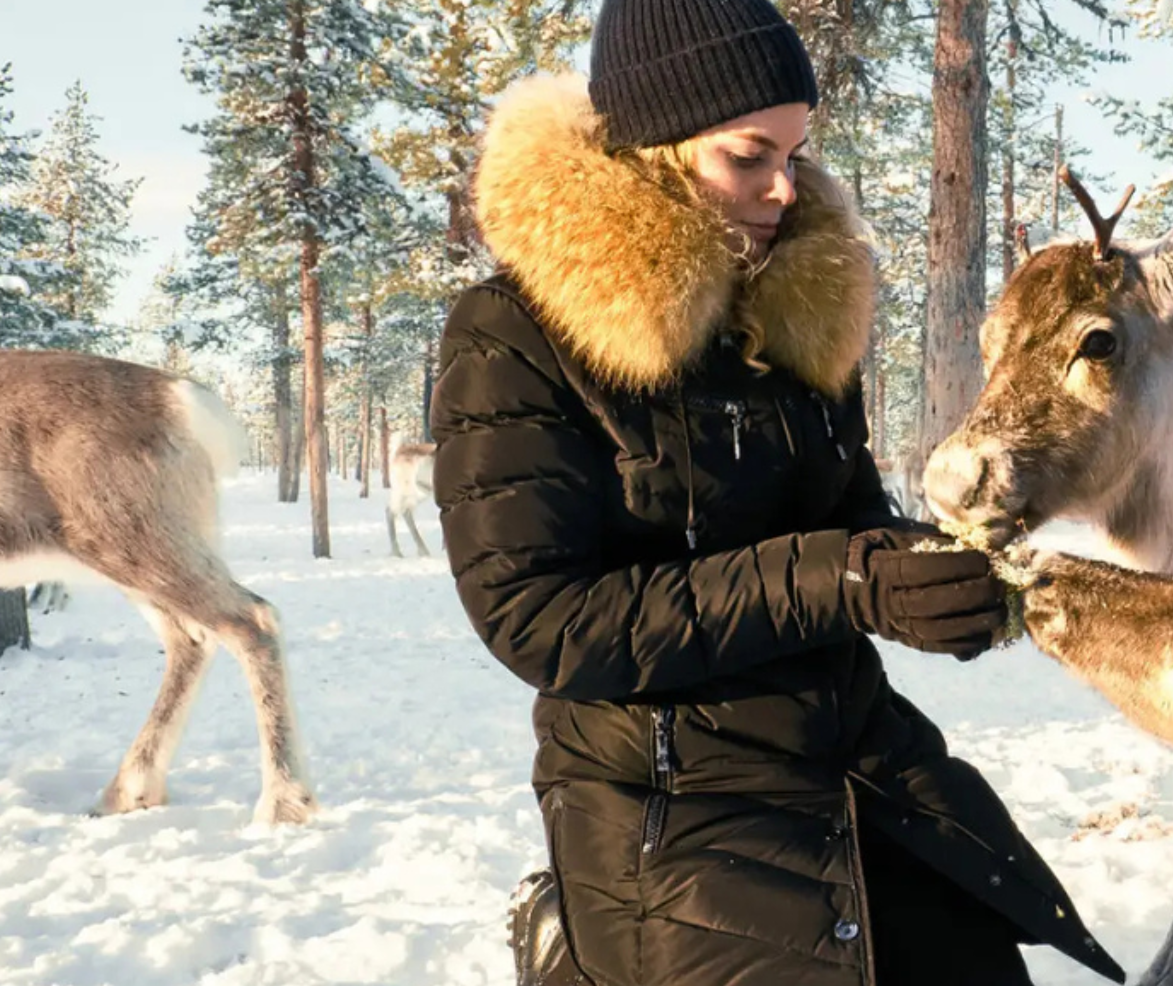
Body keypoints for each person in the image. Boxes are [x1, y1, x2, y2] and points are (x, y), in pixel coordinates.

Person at [430, 1, 1126, 984]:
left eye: (795, 154)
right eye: (749, 156)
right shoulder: (513, 334)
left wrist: (919, 579)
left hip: (854, 757)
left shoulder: (797, 303)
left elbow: (844, 521)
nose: (782, 188)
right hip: (661, 795)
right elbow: (540, 618)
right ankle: (568, 943)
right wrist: (840, 579)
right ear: (654, 148)